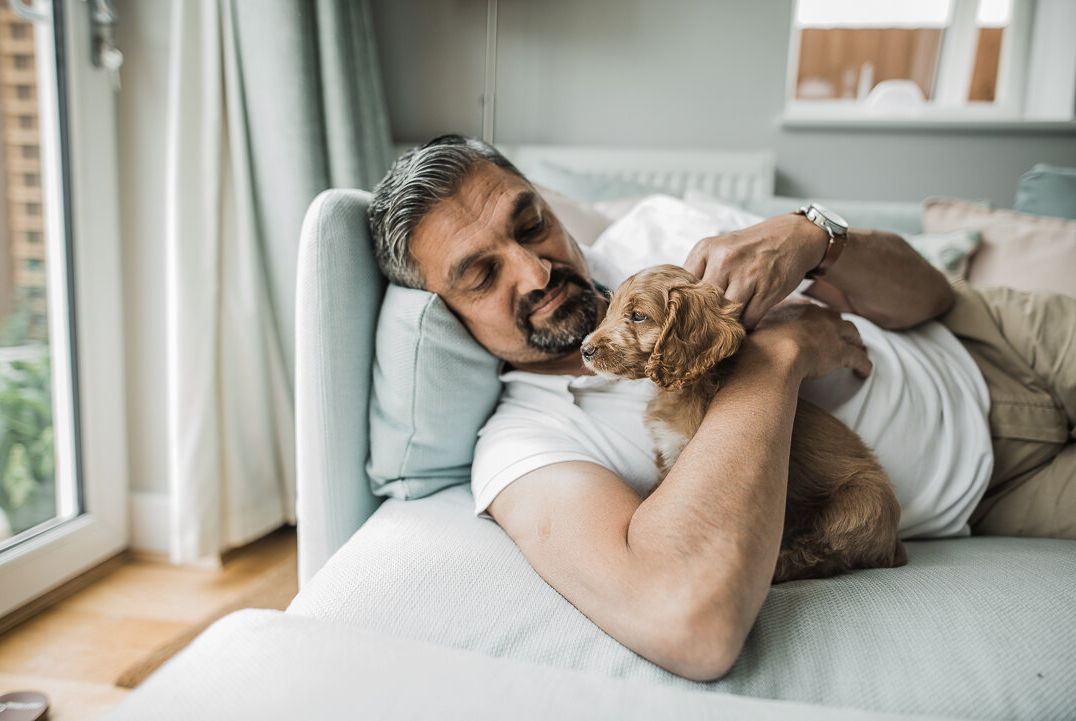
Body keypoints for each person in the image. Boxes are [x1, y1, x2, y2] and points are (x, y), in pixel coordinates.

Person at [368, 134, 1075, 681]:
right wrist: (777, 357)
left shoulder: (665, 228)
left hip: (994, 333)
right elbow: (690, 625)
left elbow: (933, 295)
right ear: (442, 309)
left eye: (530, 225)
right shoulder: (528, 443)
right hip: (997, 494)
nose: (535, 270)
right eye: (481, 275)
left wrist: (816, 239)